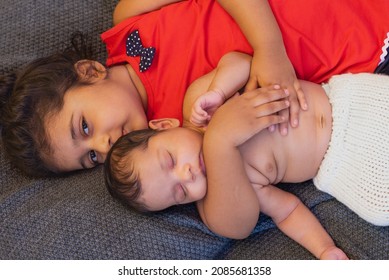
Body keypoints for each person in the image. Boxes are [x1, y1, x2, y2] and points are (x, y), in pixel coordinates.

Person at [2, 0, 389, 177]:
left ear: (88, 71)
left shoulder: (129, 19)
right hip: (350, 57)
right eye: (91, 159)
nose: (104, 146)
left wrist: (268, 46)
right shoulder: (174, 134)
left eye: (85, 127)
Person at [104, 52, 388, 252]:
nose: (186, 174)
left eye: (170, 159)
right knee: (379, 208)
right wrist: (325, 249)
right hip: (344, 165)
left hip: (348, 99)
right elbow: (288, 212)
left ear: (165, 125)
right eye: (180, 193)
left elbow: (241, 62)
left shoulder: (199, 103)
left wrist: (218, 91)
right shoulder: (229, 190)